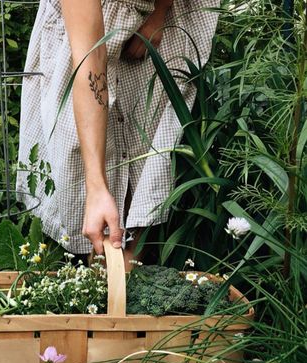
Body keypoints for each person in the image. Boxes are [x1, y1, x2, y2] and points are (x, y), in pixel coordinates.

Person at [17, 0, 219, 267]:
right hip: (82, 37)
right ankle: (94, 268)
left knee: (147, 150)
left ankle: (129, 269)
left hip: (160, 27)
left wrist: (159, 13)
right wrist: (97, 187)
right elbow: (90, 62)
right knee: (81, 158)